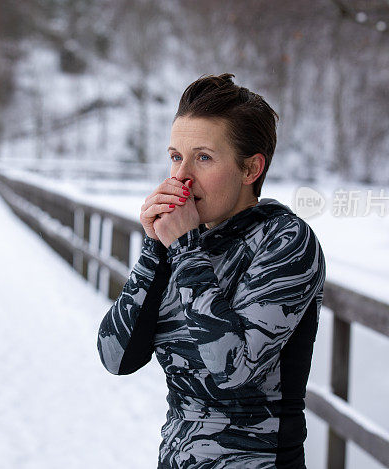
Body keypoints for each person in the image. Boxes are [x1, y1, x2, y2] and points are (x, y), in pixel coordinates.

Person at [97, 73, 326, 468]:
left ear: (251, 168)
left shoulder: (286, 240)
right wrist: (155, 248)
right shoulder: (184, 243)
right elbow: (116, 357)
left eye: (203, 157)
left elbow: (233, 369)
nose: (181, 177)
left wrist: (184, 250)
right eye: (175, 157)